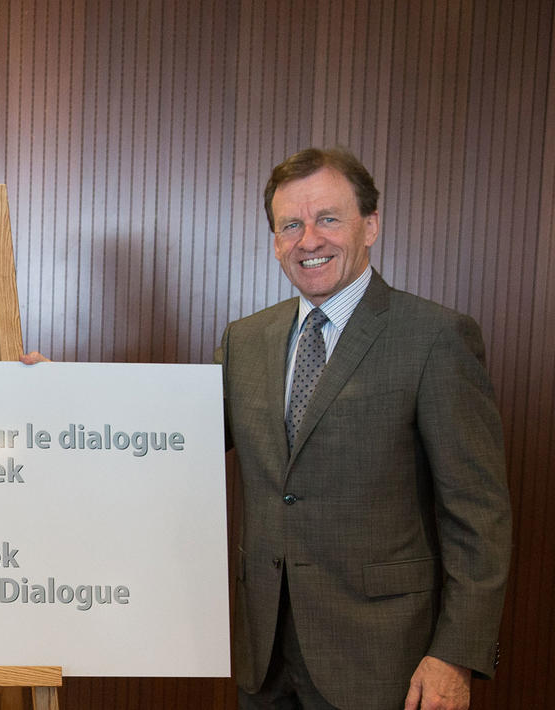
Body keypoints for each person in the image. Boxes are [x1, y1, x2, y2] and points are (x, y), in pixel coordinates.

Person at [216, 148, 511, 710]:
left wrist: (456, 653)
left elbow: (478, 514)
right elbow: (178, 437)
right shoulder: (244, 340)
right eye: (290, 225)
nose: (309, 240)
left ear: (370, 225)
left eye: (328, 218)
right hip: (264, 654)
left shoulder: (435, 338)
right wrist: (57, 399)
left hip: (384, 660)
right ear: (276, 239)